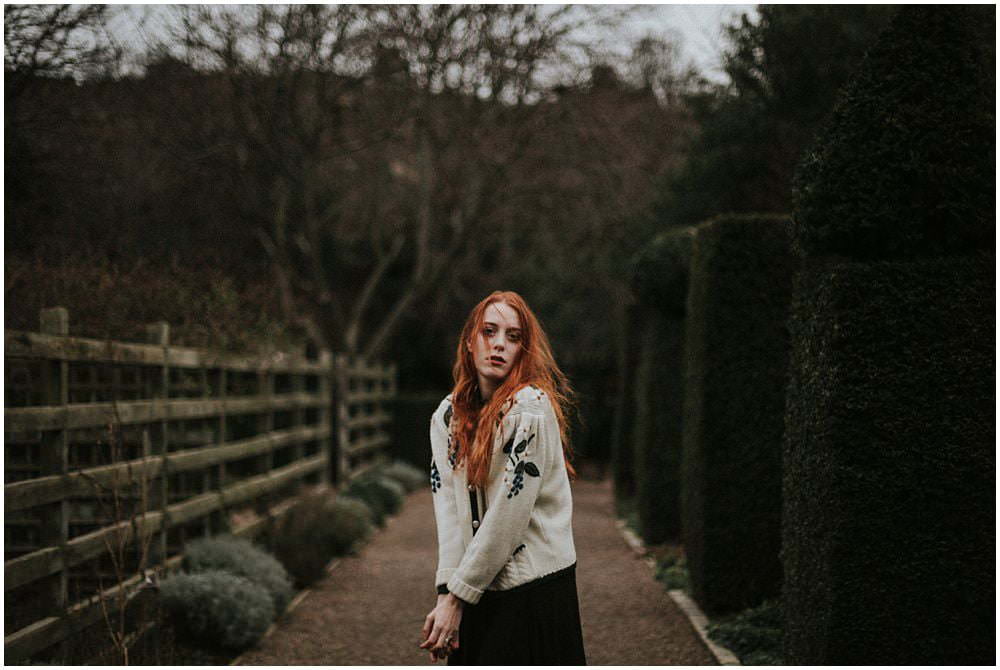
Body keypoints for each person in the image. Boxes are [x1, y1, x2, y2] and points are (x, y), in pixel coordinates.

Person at [418, 290, 587, 665]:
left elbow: (509, 517)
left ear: (523, 351)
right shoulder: (446, 417)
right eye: (489, 331)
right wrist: (447, 592)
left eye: (513, 337)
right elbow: (449, 510)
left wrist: (457, 597)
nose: (498, 345)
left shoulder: (531, 410)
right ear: (470, 341)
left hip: (534, 587)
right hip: (476, 584)